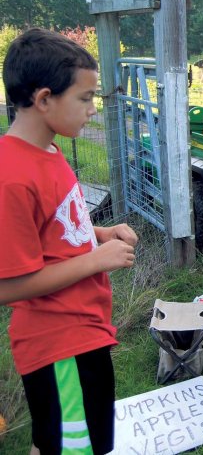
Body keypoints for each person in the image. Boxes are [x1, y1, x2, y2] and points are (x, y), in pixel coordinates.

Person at [0, 28, 139, 455]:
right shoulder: (11, 177)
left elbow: (58, 229)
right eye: (84, 98)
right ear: (44, 100)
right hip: (58, 343)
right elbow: (8, 286)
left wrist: (100, 233)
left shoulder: (50, 152)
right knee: (75, 448)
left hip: (84, 332)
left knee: (67, 441)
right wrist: (97, 260)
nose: (92, 110)